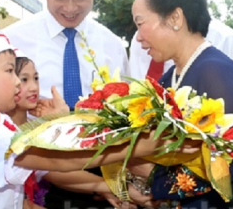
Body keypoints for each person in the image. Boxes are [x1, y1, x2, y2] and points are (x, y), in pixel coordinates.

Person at [0, 16, 187, 209]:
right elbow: (59, 159)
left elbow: (50, 166)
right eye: (10, 71)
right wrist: (145, 146)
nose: (20, 83)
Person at [128, 0, 233, 208]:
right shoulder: (170, 78)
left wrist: (154, 177)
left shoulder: (215, 72)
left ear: (175, 18)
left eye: (140, 23)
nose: (137, 36)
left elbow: (229, 163)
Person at [2, 0, 129, 208]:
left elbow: (126, 115)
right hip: (35, 175)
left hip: (102, 173)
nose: (70, 8)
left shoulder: (112, 45)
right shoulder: (12, 41)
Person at [7, 50, 137, 209]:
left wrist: (111, 189)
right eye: (24, 80)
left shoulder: (34, 127)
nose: (34, 87)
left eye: (36, 78)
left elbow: (54, 169)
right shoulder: (2, 131)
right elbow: (55, 167)